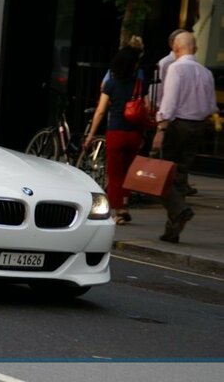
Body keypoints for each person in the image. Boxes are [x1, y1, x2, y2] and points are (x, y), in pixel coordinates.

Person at [152, 31, 217, 243]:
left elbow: (169, 102)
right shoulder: (206, 72)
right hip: (198, 127)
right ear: (195, 48)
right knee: (180, 175)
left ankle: (179, 210)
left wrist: (161, 128)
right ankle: (172, 230)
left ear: (176, 49)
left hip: (177, 125)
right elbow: (210, 106)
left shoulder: (176, 69)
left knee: (158, 174)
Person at [84, 46, 149, 225]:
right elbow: (147, 108)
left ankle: (118, 210)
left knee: (114, 174)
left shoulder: (110, 84)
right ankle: (125, 206)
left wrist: (91, 134)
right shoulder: (140, 84)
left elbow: (100, 111)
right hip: (134, 134)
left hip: (115, 132)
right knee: (128, 173)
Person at [153, 28, 198, 196]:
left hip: (179, 113)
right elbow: (162, 90)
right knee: (171, 155)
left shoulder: (190, 64)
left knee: (180, 156)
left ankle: (179, 185)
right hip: (171, 112)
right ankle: (167, 187)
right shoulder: (167, 63)